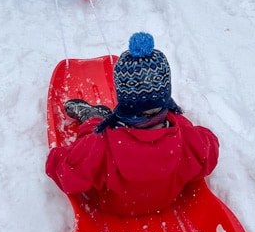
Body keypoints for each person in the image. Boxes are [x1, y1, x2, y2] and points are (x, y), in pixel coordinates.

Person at [46, 32, 219, 216]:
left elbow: (64, 172)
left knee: (94, 131)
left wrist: (61, 154)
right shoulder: (189, 141)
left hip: (114, 207)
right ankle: (141, 112)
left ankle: (94, 118)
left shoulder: (100, 148)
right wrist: (180, 122)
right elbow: (211, 149)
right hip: (167, 201)